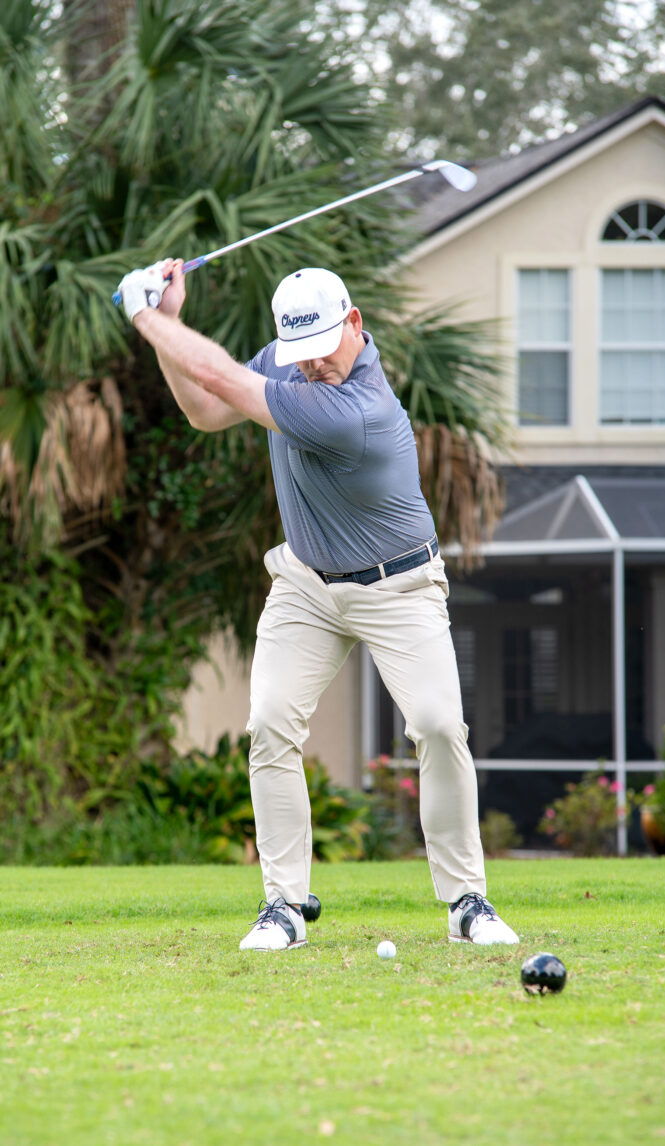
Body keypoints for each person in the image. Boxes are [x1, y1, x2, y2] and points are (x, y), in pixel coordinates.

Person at [117, 258, 519, 952]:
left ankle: (466, 901)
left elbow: (223, 380)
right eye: (298, 352)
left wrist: (144, 316)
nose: (311, 365)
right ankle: (283, 906)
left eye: (323, 349)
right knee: (270, 723)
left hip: (399, 587)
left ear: (354, 323)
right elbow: (206, 410)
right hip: (307, 582)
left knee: (437, 725)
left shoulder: (358, 409)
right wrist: (169, 326)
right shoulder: (291, 364)